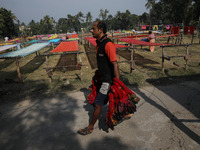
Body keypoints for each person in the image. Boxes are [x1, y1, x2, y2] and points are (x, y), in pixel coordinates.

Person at [77, 21, 120, 135]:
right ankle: (123, 112)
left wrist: (118, 83)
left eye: (93, 28)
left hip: (107, 81)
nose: (91, 30)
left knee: (98, 103)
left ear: (100, 30)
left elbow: (115, 64)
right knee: (105, 100)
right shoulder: (99, 43)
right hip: (102, 79)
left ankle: (90, 127)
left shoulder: (108, 44)